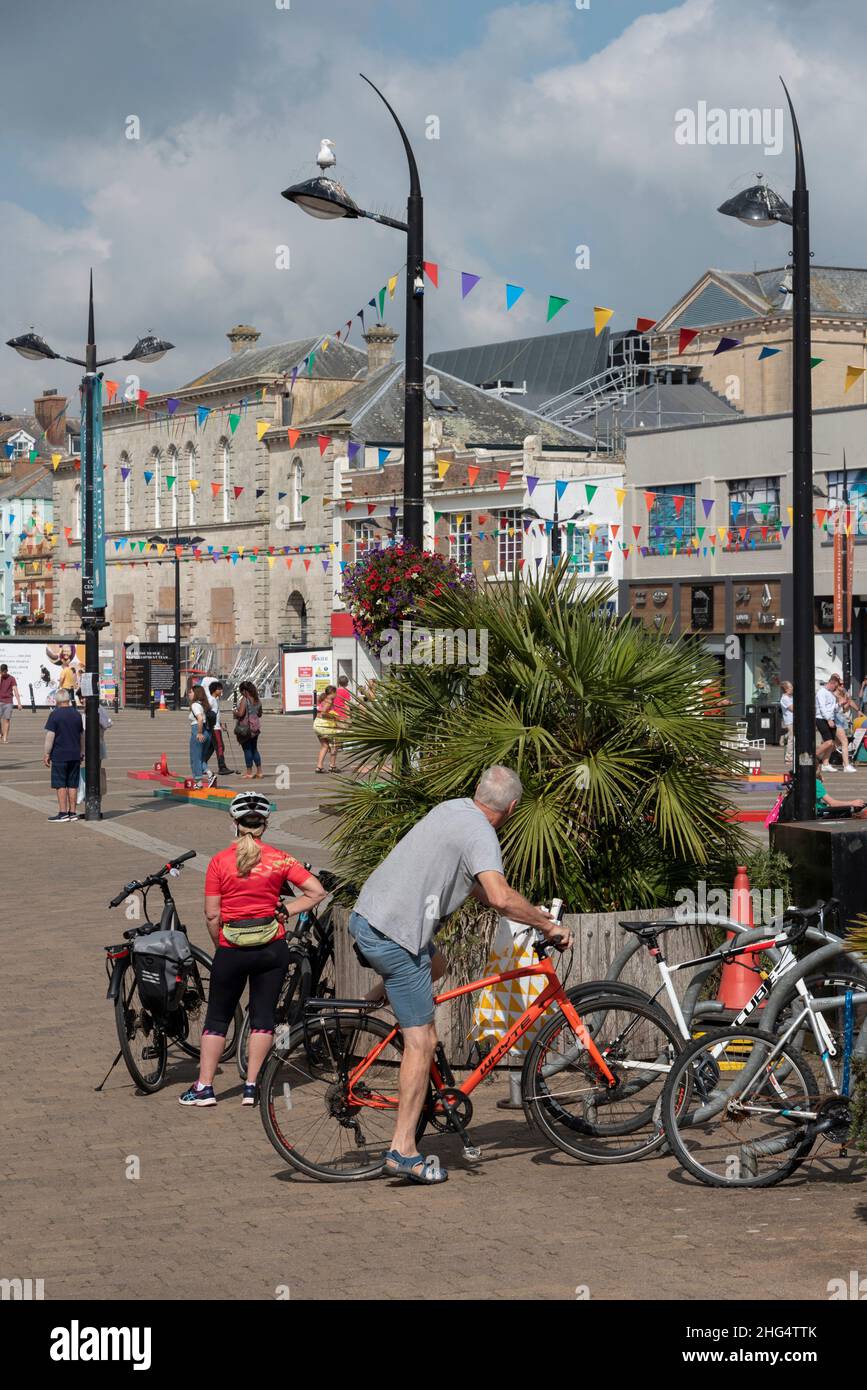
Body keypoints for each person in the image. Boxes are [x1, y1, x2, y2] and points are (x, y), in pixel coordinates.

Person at [348, 765, 572, 1185]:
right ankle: (402, 1150)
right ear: (513, 806)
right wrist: (548, 926)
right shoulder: (482, 833)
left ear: (476, 790)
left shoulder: (453, 809)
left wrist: (526, 910)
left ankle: (386, 990)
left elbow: (473, 884)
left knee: (439, 966)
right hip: (394, 935)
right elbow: (501, 896)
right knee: (423, 1041)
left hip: (374, 918)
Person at [179, 792, 326, 1107]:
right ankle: (251, 1085)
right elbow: (316, 891)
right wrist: (286, 911)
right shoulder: (280, 858)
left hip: (232, 948)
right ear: (266, 824)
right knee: (263, 1017)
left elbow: (212, 915)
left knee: (217, 1018)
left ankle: (204, 1088)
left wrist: (221, 945)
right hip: (272, 948)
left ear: (234, 823)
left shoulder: (219, 862)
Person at [43, 690, 84, 822]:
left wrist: (47, 753)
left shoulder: (54, 715)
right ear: (68, 699)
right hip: (75, 754)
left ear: (57, 700)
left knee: (60, 784)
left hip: (60, 755)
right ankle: (72, 812)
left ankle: (62, 813)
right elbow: (81, 736)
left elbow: (50, 736)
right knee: (73, 784)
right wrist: (82, 751)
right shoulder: (77, 715)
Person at [201, 677, 232, 776]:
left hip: (216, 726)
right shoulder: (211, 700)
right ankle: (222, 767)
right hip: (214, 728)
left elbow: (215, 714)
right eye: (220, 689)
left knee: (211, 748)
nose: (221, 690)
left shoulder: (215, 699)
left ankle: (202, 765)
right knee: (220, 746)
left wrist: (221, 723)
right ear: (215, 690)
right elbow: (206, 711)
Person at [234, 680, 263, 779]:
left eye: (241, 691)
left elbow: (241, 713)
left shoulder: (244, 700)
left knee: (247, 750)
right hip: (255, 728)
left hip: (245, 729)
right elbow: (259, 714)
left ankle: (249, 772)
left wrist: (235, 712)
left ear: (244, 691)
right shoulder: (257, 700)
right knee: (254, 749)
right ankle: (259, 772)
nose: (241, 693)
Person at [188, 684, 215, 789]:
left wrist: (198, 733)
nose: (189, 694)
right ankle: (210, 774)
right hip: (207, 733)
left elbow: (199, 719)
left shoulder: (195, 705)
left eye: (191, 692)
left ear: (196, 693)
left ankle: (198, 783)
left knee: (195, 759)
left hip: (198, 731)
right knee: (201, 759)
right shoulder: (205, 705)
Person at [815, 674, 842, 772]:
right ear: (831, 683)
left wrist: (839, 704)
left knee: (832, 744)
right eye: (836, 686)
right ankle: (813, 756)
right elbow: (822, 707)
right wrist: (828, 719)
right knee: (828, 742)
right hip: (821, 719)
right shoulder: (821, 692)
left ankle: (825, 764)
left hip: (830, 718)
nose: (836, 688)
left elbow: (832, 708)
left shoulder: (831, 693)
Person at [313, 685, 339, 774]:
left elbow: (320, 712)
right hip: (325, 726)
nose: (336, 695)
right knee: (334, 745)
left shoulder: (323, 699)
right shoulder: (329, 701)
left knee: (324, 745)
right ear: (332, 693)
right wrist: (333, 716)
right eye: (336, 693)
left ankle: (319, 767)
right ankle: (332, 766)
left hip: (317, 724)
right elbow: (323, 713)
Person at [833, 685, 857, 773]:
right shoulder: (833, 695)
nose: (843, 686)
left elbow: (844, 710)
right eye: (840, 684)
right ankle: (846, 765)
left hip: (842, 721)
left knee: (833, 743)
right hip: (836, 721)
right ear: (836, 685)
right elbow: (832, 709)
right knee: (844, 742)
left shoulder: (842, 695)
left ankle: (821, 758)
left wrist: (846, 700)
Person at [0, 664, 22, 743]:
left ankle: (5, 737)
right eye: (1, 672)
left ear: (7, 671)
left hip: (8, 701)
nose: (3, 673)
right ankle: (1, 732)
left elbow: (15, 690)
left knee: (7, 720)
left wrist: (19, 703)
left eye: (4, 672)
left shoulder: (12, 678)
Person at [779, 680, 794, 769]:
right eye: (791, 687)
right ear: (786, 689)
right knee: (791, 739)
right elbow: (792, 708)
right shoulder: (785, 698)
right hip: (790, 721)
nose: (792, 688)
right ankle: (788, 758)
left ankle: (784, 736)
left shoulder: (791, 697)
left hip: (794, 720)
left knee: (793, 738)